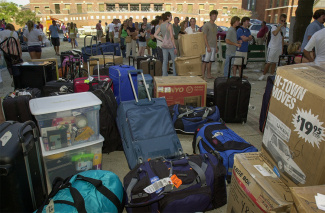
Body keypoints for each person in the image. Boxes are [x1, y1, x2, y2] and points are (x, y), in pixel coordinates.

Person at [259, 14, 287, 81]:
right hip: (272, 47)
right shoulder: (274, 27)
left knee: (275, 62)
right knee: (269, 62)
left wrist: (282, 48)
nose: (283, 22)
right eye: (282, 20)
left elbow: (282, 38)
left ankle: (271, 75)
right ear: (279, 20)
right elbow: (275, 33)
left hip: (278, 47)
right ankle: (263, 74)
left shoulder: (284, 29)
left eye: (284, 21)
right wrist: (280, 26)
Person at [154, 12, 177, 76]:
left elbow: (155, 35)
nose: (171, 18)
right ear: (167, 17)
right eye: (171, 16)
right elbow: (172, 37)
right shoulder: (169, 25)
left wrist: (162, 39)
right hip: (170, 45)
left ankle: (164, 75)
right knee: (174, 60)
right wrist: (175, 47)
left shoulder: (161, 25)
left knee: (165, 61)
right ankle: (175, 75)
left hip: (164, 45)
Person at [202, 10, 219, 79]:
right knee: (205, 61)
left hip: (213, 46)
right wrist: (207, 46)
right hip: (207, 46)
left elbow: (215, 36)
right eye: (213, 16)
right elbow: (204, 36)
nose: (214, 17)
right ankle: (202, 76)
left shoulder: (215, 26)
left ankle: (209, 75)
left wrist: (216, 46)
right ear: (210, 16)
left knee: (210, 61)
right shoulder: (206, 25)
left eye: (215, 16)